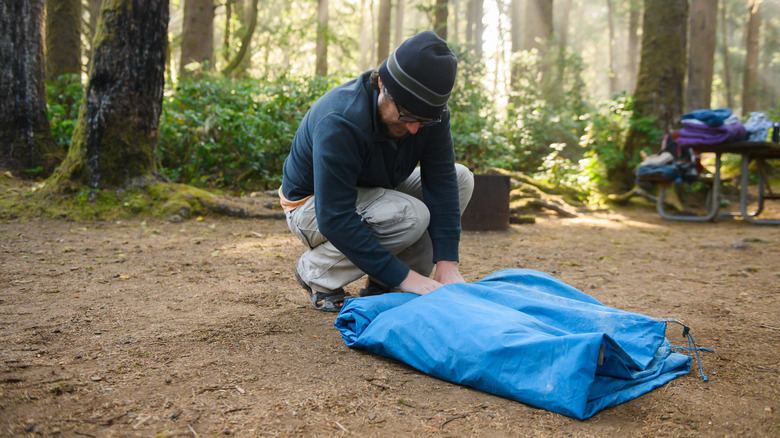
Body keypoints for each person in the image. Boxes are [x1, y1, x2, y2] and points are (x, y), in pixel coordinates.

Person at [279, 30, 474, 312]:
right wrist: (406, 278)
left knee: (460, 178)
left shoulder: (431, 115)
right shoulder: (341, 118)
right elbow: (334, 216)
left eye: (425, 120)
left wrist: (447, 264)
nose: (414, 128)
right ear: (382, 83)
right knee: (410, 214)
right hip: (311, 207)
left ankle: (387, 285)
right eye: (406, 115)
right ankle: (318, 271)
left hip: (375, 194)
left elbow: (442, 181)